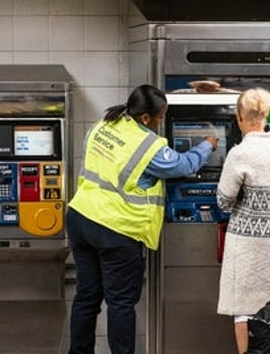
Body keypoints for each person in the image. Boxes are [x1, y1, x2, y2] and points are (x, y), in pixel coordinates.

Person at [66, 84, 218, 354]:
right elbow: (184, 164)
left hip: (81, 218)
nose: (162, 122)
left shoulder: (103, 124)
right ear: (145, 118)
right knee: (121, 303)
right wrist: (207, 145)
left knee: (87, 297)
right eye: (160, 117)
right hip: (116, 229)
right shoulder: (148, 146)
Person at [216, 87, 270, 354]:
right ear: (266, 114)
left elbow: (224, 201)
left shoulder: (240, 153)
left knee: (244, 310)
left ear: (239, 116)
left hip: (248, 246)